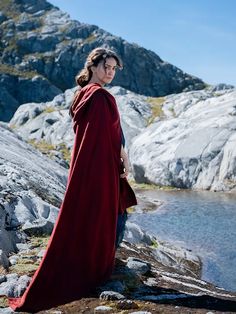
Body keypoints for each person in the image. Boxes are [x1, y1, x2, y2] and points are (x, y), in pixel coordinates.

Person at [7, 47, 137, 312]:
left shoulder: (83, 95)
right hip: (102, 171)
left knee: (107, 216)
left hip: (99, 168)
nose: (110, 73)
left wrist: (122, 155)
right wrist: (119, 162)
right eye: (106, 67)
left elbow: (107, 137)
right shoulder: (99, 96)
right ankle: (96, 269)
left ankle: (95, 265)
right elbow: (101, 141)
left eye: (114, 69)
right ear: (92, 66)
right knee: (112, 216)